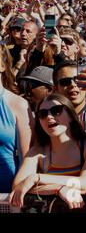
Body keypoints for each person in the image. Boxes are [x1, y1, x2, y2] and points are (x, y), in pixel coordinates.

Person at [8, 93, 86, 209]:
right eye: (42, 114)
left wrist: (36, 178)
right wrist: (58, 189)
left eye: (56, 110)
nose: (49, 117)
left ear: (71, 116)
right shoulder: (37, 152)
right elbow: (18, 186)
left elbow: (84, 184)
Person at [0, 45, 33, 193]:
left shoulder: (18, 104)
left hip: (6, 194)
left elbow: (27, 158)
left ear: (2, 66)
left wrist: (18, 193)